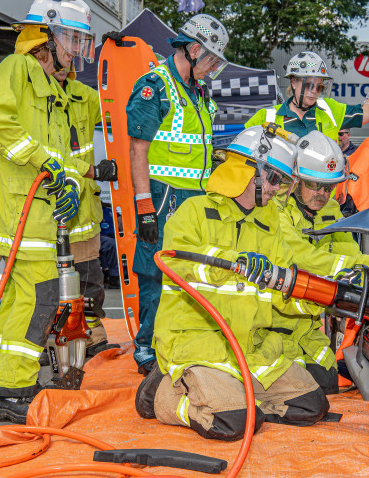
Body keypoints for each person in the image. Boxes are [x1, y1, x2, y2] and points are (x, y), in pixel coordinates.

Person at [135, 125, 329, 440]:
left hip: (248, 346)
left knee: (312, 405)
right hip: (197, 343)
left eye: (282, 182)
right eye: (274, 178)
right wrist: (234, 262)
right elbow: (176, 261)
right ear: (248, 171)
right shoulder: (194, 212)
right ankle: (160, 394)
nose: (276, 189)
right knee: (232, 422)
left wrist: (313, 296)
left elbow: (281, 284)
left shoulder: (268, 222)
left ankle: (237, 399)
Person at [0, 0, 94, 423]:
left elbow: (60, 157)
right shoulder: (19, 69)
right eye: (72, 38)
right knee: (37, 302)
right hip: (21, 216)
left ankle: (8, 383)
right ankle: (14, 393)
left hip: (36, 218)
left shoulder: (52, 88)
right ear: (47, 35)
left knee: (21, 303)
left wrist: (74, 179)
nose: (77, 50)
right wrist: (48, 164)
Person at [126, 14, 229, 375]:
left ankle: (180, 341)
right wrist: (144, 207)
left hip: (196, 201)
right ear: (194, 49)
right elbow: (137, 149)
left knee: (190, 272)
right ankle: (147, 347)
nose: (214, 68)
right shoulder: (155, 86)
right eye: (212, 60)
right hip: (162, 198)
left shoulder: (199, 92)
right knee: (156, 272)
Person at [274, 131, 369, 394]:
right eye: (315, 185)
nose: (322, 194)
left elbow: (352, 254)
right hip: (278, 321)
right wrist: (349, 267)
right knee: (301, 391)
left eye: (329, 187)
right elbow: (298, 256)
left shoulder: (331, 209)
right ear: (295, 179)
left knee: (328, 384)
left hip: (312, 323)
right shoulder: (275, 210)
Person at [52, 67, 119, 357]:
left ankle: (93, 338)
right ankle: (48, 343)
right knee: (49, 287)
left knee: (91, 281)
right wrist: (92, 170)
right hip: (49, 212)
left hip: (83, 214)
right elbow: (50, 154)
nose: (70, 55)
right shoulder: (32, 97)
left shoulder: (82, 95)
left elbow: (115, 107)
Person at [245, 50, 369, 142]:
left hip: (326, 185)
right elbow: (241, 152)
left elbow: (368, 113)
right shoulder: (266, 117)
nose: (314, 91)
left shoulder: (330, 109)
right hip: (282, 185)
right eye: (309, 85)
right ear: (294, 82)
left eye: (319, 86)